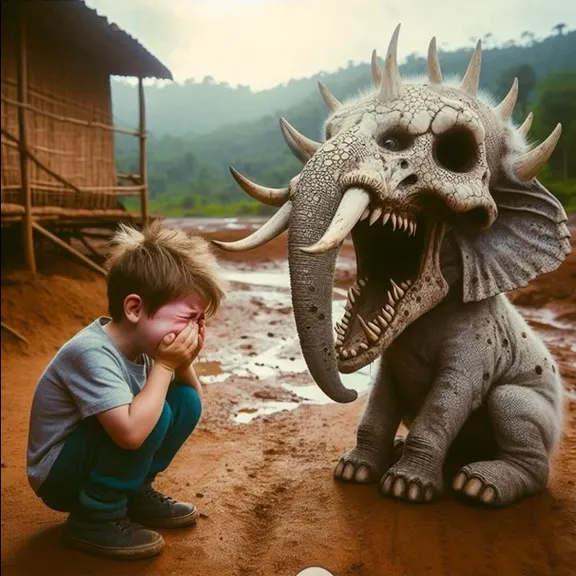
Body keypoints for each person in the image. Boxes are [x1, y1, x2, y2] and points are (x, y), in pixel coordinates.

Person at [26, 220, 226, 560]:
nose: (194, 329)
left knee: (185, 400)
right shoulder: (90, 352)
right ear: (135, 309)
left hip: (96, 455)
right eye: (187, 317)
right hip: (59, 475)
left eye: (200, 320)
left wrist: (182, 361)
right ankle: (95, 517)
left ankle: (134, 492)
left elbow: (195, 403)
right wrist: (164, 366)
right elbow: (132, 433)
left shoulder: (146, 347)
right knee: (154, 409)